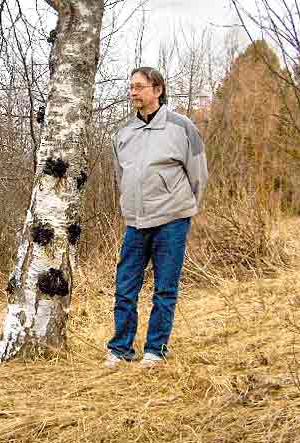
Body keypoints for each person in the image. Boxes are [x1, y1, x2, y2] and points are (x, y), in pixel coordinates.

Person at [105, 66, 208, 369]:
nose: (132, 92)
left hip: (171, 221)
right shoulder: (122, 134)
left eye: (139, 87)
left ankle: (155, 350)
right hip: (135, 223)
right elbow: (120, 176)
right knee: (125, 288)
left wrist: (184, 210)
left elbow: (198, 174)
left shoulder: (182, 127)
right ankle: (120, 349)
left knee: (165, 288)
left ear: (158, 89)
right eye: (131, 87)